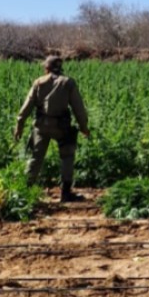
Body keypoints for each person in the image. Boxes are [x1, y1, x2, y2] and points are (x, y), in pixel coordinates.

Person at [14, 55, 92, 202]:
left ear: (46, 68)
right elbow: (78, 108)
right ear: (60, 68)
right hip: (61, 126)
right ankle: (66, 193)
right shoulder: (68, 83)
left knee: (35, 158)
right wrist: (84, 127)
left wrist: (19, 126)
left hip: (41, 126)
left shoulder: (38, 83)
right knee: (67, 156)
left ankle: (25, 192)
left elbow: (26, 107)